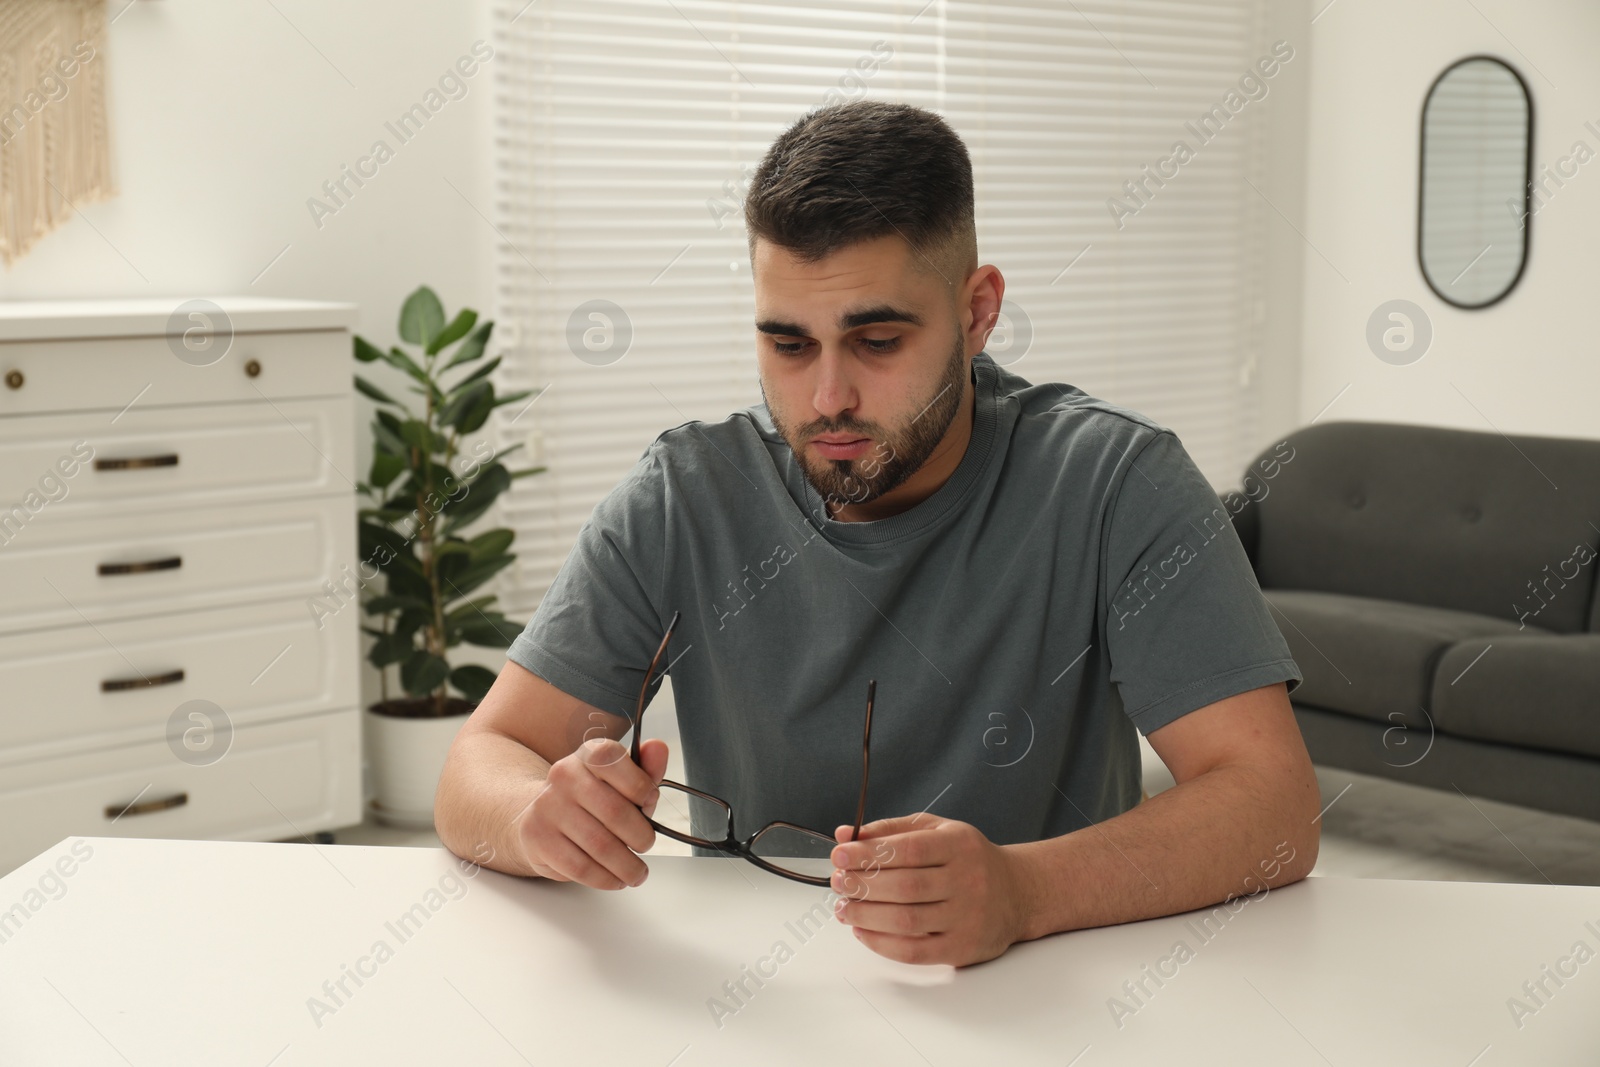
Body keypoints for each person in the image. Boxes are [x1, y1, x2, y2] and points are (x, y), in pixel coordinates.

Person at [435, 99, 1319, 968]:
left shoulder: (1118, 482)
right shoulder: (685, 494)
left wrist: (1023, 892)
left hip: (1051, 992)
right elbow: (485, 756)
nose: (827, 399)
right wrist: (533, 816)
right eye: (788, 346)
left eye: (877, 340)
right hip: (756, 1006)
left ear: (977, 313)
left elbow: (1273, 803)